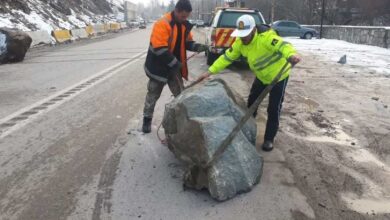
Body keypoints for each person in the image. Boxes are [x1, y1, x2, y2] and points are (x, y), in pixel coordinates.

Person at [197, 15, 301, 152]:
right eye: (241, 35)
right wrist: (209, 72)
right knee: (251, 104)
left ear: (253, 31)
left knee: (273, 108)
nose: (243, 38)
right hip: (261, 77)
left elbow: (284, 46)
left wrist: (291, 55)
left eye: (245, 34)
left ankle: (269, 138)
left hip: (278, 77)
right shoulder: (239, 43)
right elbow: (226, 58)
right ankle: (248, 130)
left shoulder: (266, 38)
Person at [142, 0, 207, 133]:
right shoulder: (162, 23)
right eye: (183, 16)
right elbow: (159, 49)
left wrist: (198, 47)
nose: (185, 19)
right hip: (158, 68)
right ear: (176, 11)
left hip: (173, 68)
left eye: (187, 17)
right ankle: (146, 121)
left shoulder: (183, 25)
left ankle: (184, 121)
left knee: (180, 95)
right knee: (153, 94)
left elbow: (188, 42)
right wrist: (175, 63)